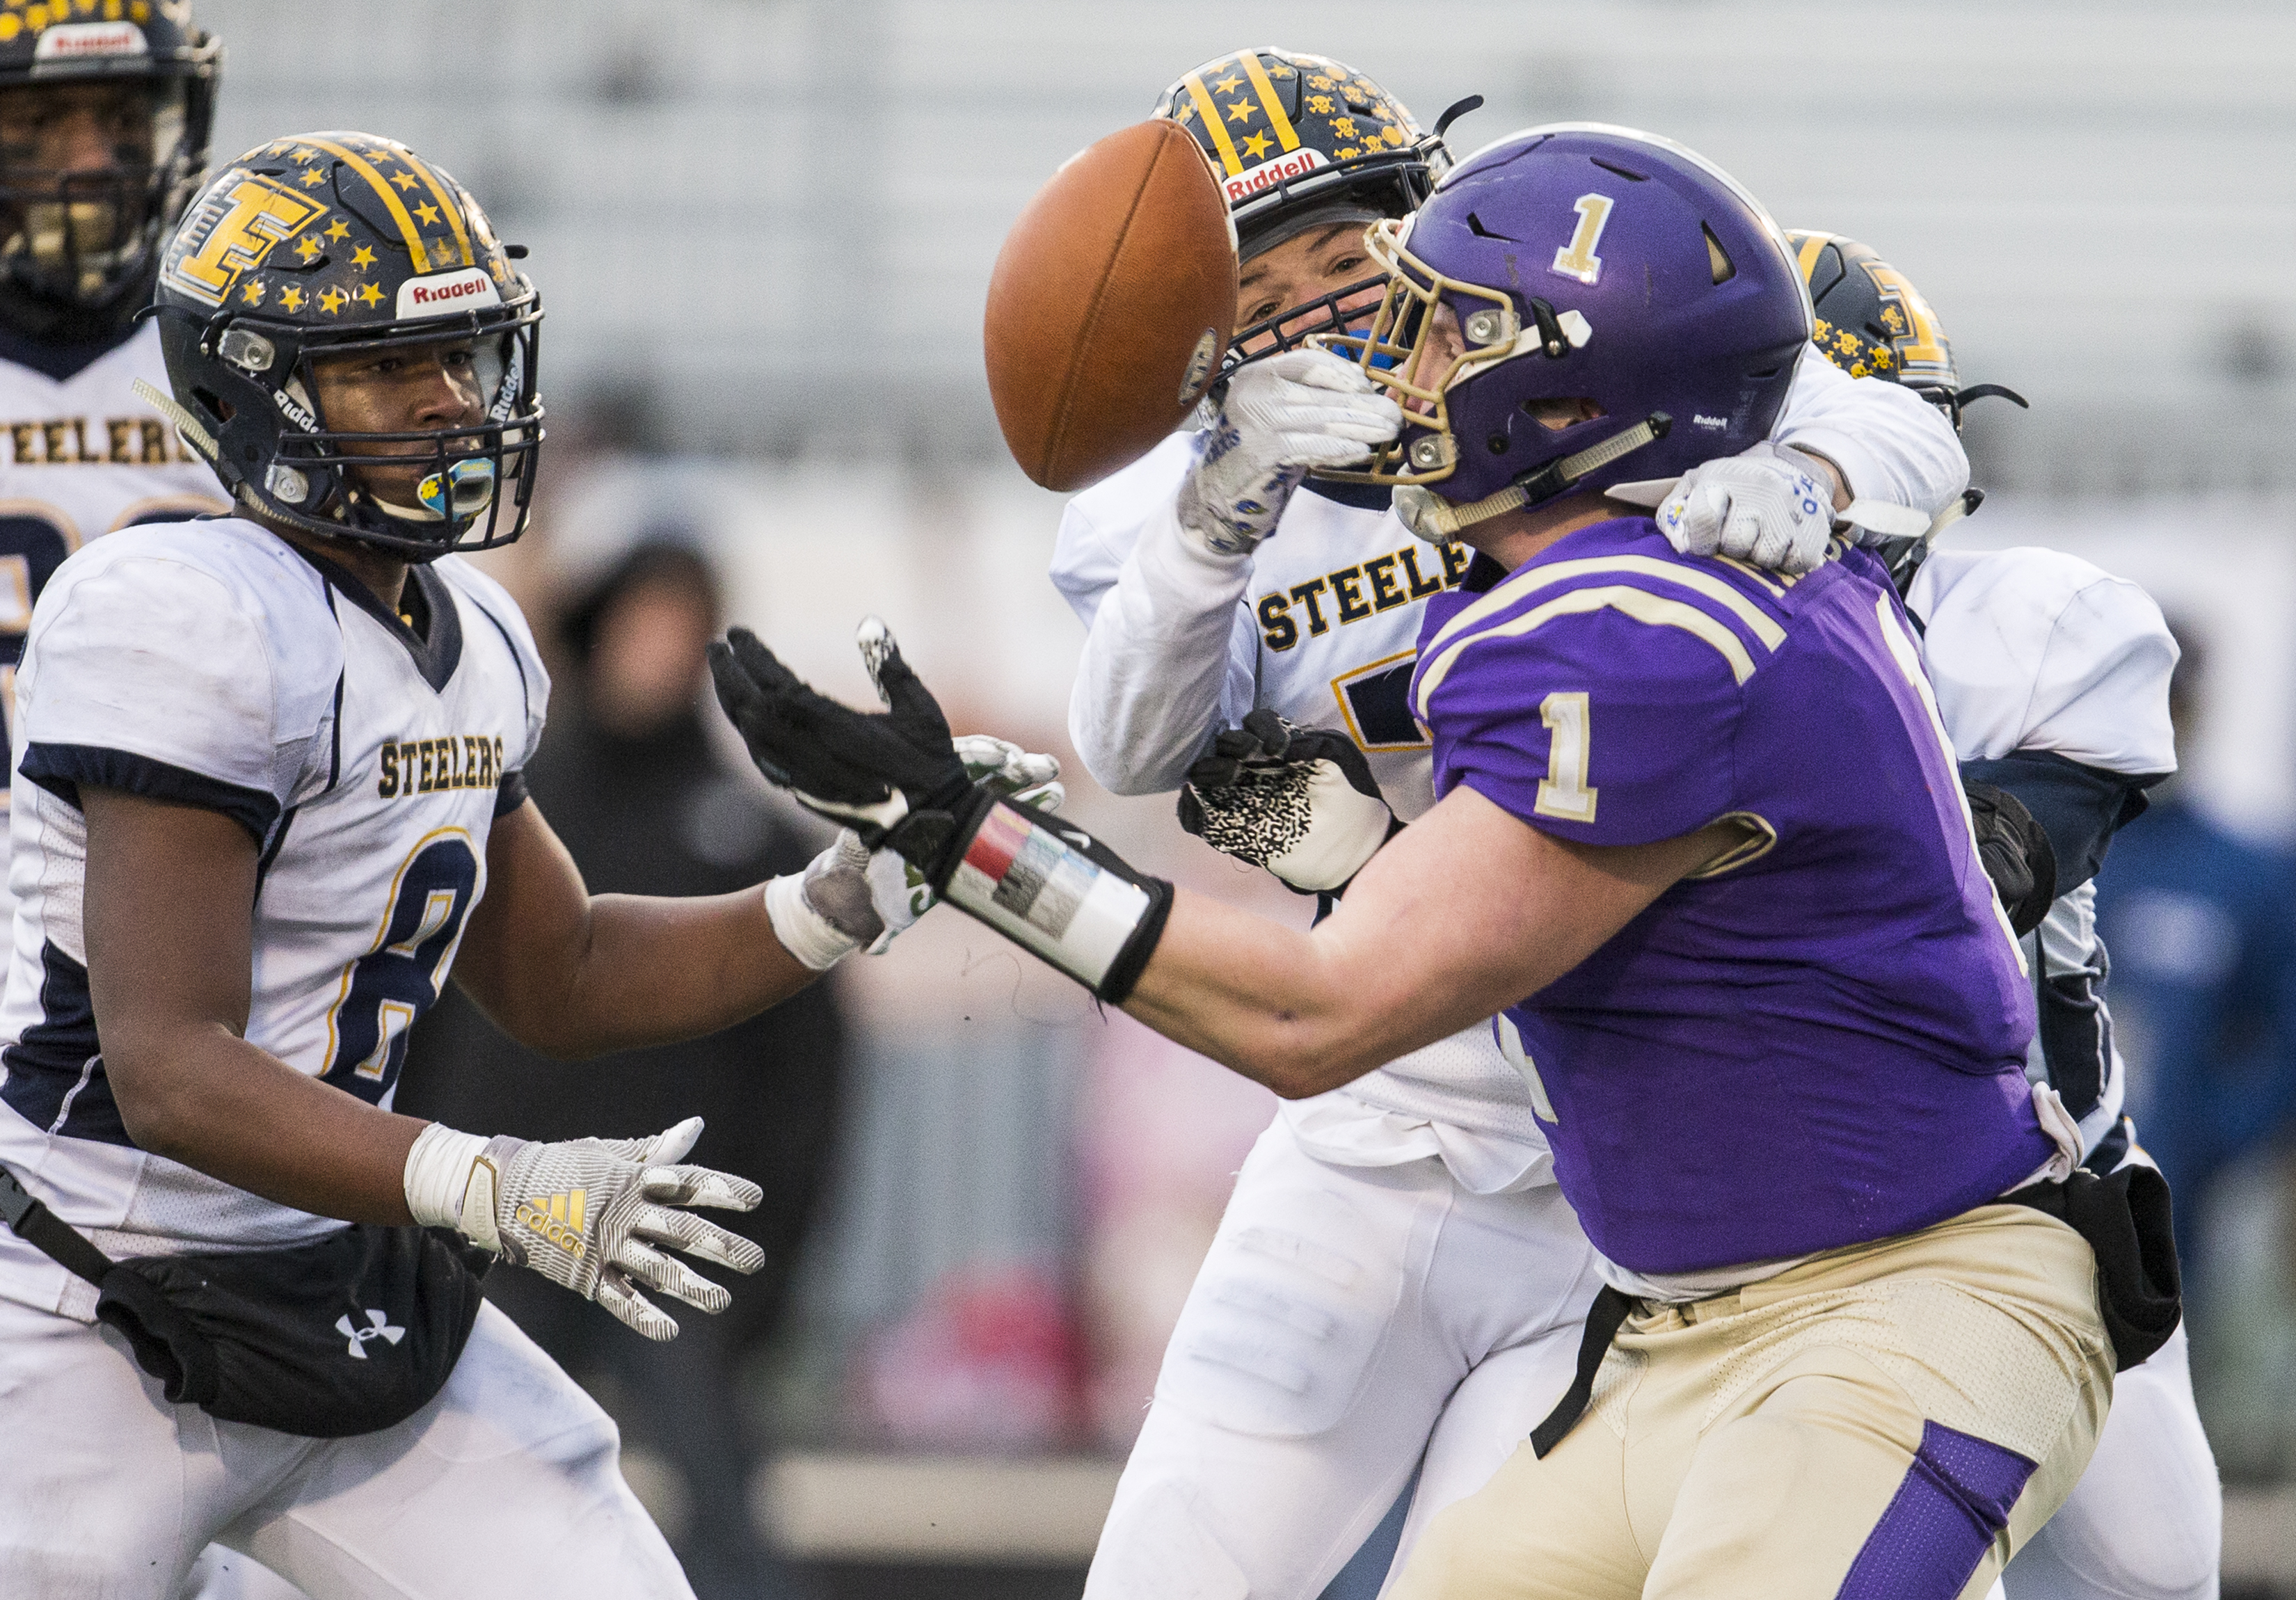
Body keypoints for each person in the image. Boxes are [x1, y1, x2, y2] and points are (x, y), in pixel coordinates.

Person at [711, 123, 2127, 1600]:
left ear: (1572, 385)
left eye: (1448, 324)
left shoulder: (1658, 632)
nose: (1398, 358)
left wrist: (974, 842)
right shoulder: (1565, 582)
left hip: (1892, 1305)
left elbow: (1320, 1011)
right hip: (1672, 1331)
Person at [0, 131, 1051, 1598]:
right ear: (253, 386)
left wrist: (853, 891)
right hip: (83, 1305)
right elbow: (169, 1065)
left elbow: (563, 971)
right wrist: (495, 1182)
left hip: (342, 1279)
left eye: (461, 355)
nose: (447, 402)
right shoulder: (185, 612)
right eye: (386, 367)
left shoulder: (473, 636)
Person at [1041, 47, 1972, 1599]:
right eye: (1264, 300)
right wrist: (1221, 505)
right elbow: (1136, 744)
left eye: (1355, 263)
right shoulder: (1176, 503)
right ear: (1200, 340)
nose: (1326, 319)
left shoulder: (1600, 342)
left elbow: (1899, 429)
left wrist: (1804, 470)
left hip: (1606, 1162)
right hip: (1376, 1125)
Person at [401, 535, 852, 1599]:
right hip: (501, 1222)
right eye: (641, 619)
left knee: (721, 1517)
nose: (657, 648)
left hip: (671, 1235)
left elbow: (812, 1075)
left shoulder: (750, 837)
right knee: (451, 1507)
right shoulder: (501, 817)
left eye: (681, 627)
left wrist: (770, 1265)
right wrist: (407, 1209)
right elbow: (411, 1009)